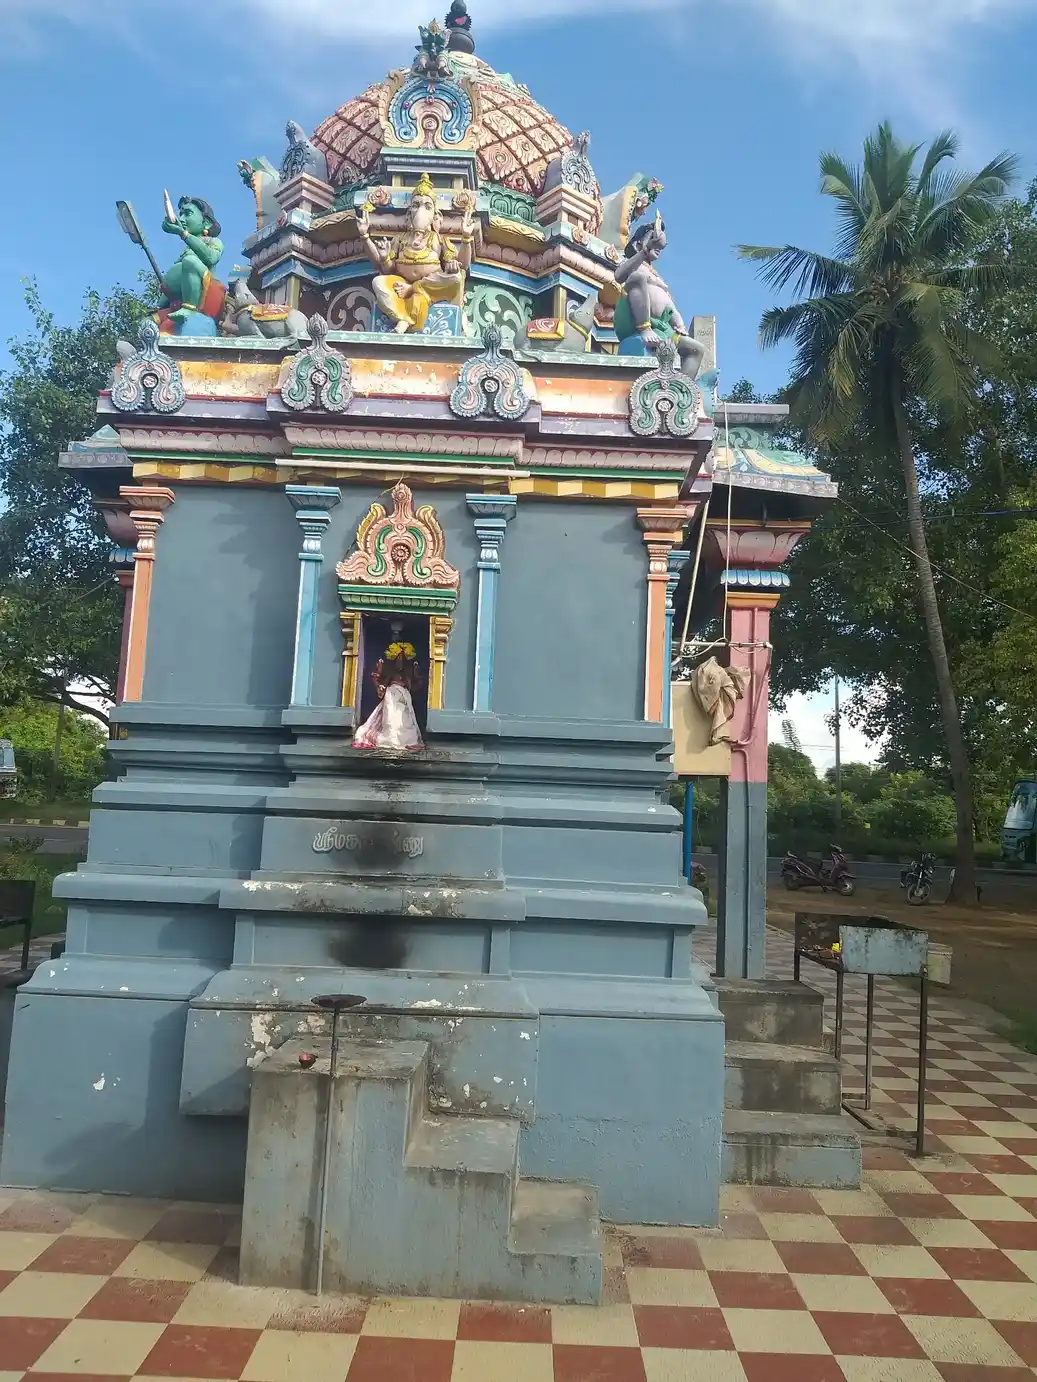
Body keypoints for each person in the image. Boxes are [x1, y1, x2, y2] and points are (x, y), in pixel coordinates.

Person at [353, 641, 425, 752]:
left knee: (405, 720)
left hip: (404, 698)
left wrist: (416, 673)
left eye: (402, 659)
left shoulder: (408, 673)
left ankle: (404, 741)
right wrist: (380, 686)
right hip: (391, 696)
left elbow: (415, 685)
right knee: (390, 718)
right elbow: (378, 680)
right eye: (398, 659)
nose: (400, 662)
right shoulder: (389, 672)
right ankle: (389, 740)